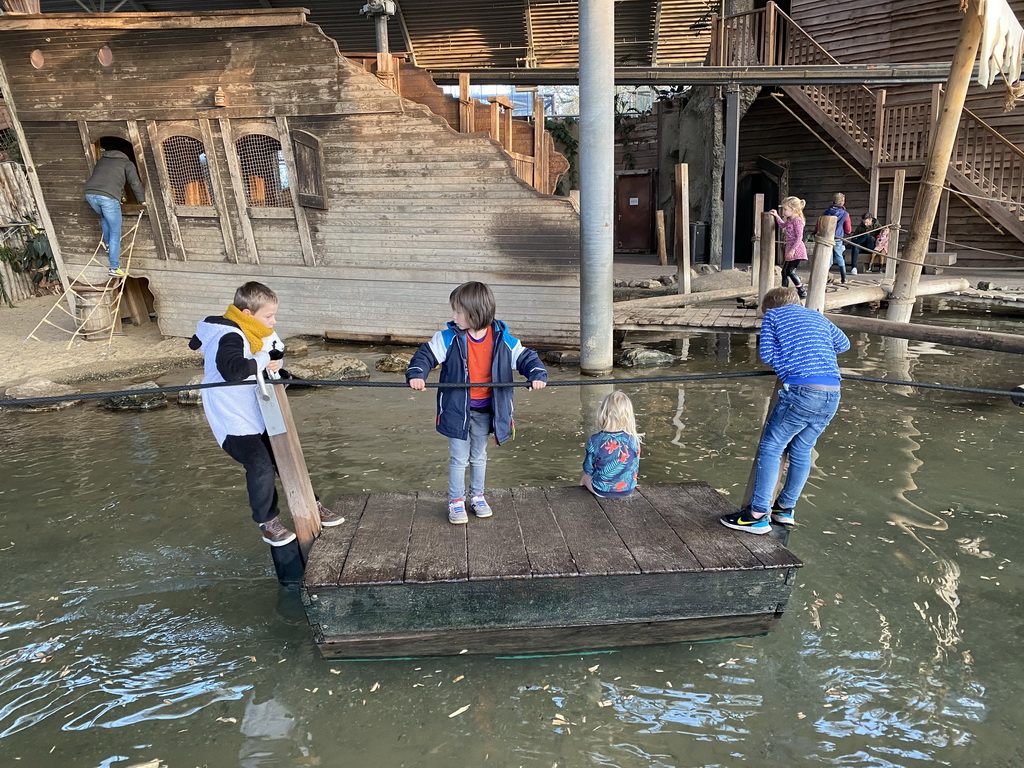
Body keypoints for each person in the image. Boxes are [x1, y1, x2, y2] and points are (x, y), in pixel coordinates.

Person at [189, 281, 343, 546]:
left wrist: (277, 367)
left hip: (261, 409)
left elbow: (273, 357)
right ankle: (268, 523)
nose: (274, 321)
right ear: (247, 314)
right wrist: (263, 359)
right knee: (260, 465)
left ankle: (311, 505)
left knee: (288, 457)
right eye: (269, 316)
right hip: (232, 419)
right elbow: (233, 371)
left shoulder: (256, 330)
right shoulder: (229, 335)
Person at [406, 281, 548, 525]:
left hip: (485, 410)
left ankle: (478, 496)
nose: (453, 316)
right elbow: (425, 355)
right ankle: (455, 501)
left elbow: (526, 357)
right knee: (459, 458)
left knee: (479, 456)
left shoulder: (502, 339)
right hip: (456, 410)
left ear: (475, 313)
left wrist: (537, 374)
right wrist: (417, 374)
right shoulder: (448, 338)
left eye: (458, 312)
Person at [721, 286, 850, 535]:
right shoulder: (816, 315)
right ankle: (785, 509)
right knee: (801, 450)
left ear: (769, 308)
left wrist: (789, 366)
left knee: (771, 447)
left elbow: (767, 354)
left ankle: (757, 515)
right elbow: (843, 344)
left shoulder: (774, 316)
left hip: (802, 390)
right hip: (832, 392)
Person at [83, 139, 147, 277]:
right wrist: (142, 201)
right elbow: (134, 182)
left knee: (105, 218)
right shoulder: (126, 163)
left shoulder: (102, 160)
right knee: (115, 233)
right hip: (108, 197)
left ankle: (107, 246)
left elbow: (108, 179)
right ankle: (114, 268)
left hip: (90, 194)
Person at [581, 390, 642, 498]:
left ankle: (580, 498)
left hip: (602, 490)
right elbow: (634, 465)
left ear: (602, 412)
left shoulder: (595, 440)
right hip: (628, 489)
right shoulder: (633, 439)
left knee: (585, 478)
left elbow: (588, 468)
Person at [768, 196, 808, 300]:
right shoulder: (790, 219)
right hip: (790, 249)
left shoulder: (798, 221)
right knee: (784, 271)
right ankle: (783, 292)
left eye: (785, 209)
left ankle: (801, 290)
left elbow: (799, 237)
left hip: (796, 249)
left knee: (790, 271)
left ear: (793, 209)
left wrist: (793, 250)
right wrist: (776, 216)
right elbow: (782, 225)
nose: (784, 211)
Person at [815, 192, 853, 282]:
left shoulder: (826, 212)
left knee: (828, 259)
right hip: (837, 238)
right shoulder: (845, 214)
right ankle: (844, 278)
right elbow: (848, 230)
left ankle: (823, 278)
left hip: (826, 238)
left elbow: (819, 224)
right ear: (843, 202)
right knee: (839, 257)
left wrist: (815, 232)